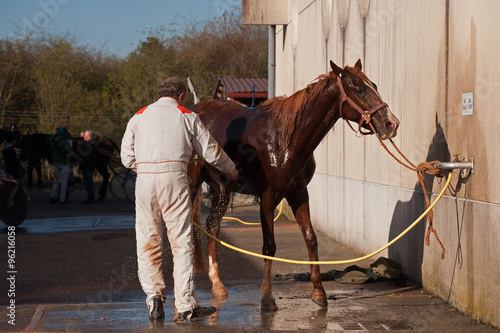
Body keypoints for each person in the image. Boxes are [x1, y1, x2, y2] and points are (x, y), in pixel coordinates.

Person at [121, 77, 239, 322]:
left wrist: (143, 168)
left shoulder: (139, 116)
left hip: (144, 182)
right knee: (181, 242)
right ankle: (185, 305)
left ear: (160, 93)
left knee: (148, 240)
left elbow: (126, 158)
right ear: (182, 96)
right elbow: (211, 150)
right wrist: (231, 168)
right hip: (175, 179)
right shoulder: (186, 115)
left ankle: (154, 300)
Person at [46, 127, 71, 204]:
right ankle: (62, 199)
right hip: (64, 164)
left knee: (56, 181)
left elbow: (47, 145)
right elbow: (70, 153)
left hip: (56, 164)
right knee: (63, 182)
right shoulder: (65, 142)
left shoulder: (52, 140)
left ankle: (52, 196)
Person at [78, 130, 97, 204]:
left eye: (85, 136)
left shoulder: (87, 146)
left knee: (88, 183)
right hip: (91, 166)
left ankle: (90, 199)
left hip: (87, 167)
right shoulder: (93, 144)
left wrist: (81, 167)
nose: (84, 137)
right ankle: (91, 198)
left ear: (89, 137)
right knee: (89, 183)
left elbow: (86, 158)